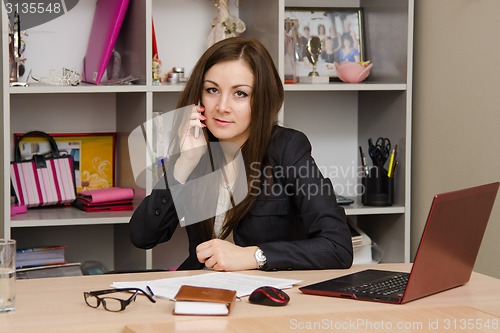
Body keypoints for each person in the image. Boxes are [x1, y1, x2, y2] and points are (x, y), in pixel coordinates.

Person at [129, 37, 353, 272]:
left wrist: (255, 256)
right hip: (203, 291)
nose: (222, 106)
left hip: (265, 295)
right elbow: (142, 237)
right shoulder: (194, 145)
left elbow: (337, 246)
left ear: (262, 99)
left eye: (240, 94)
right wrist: (184, 163)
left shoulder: (287, 147)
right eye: (212, 90)